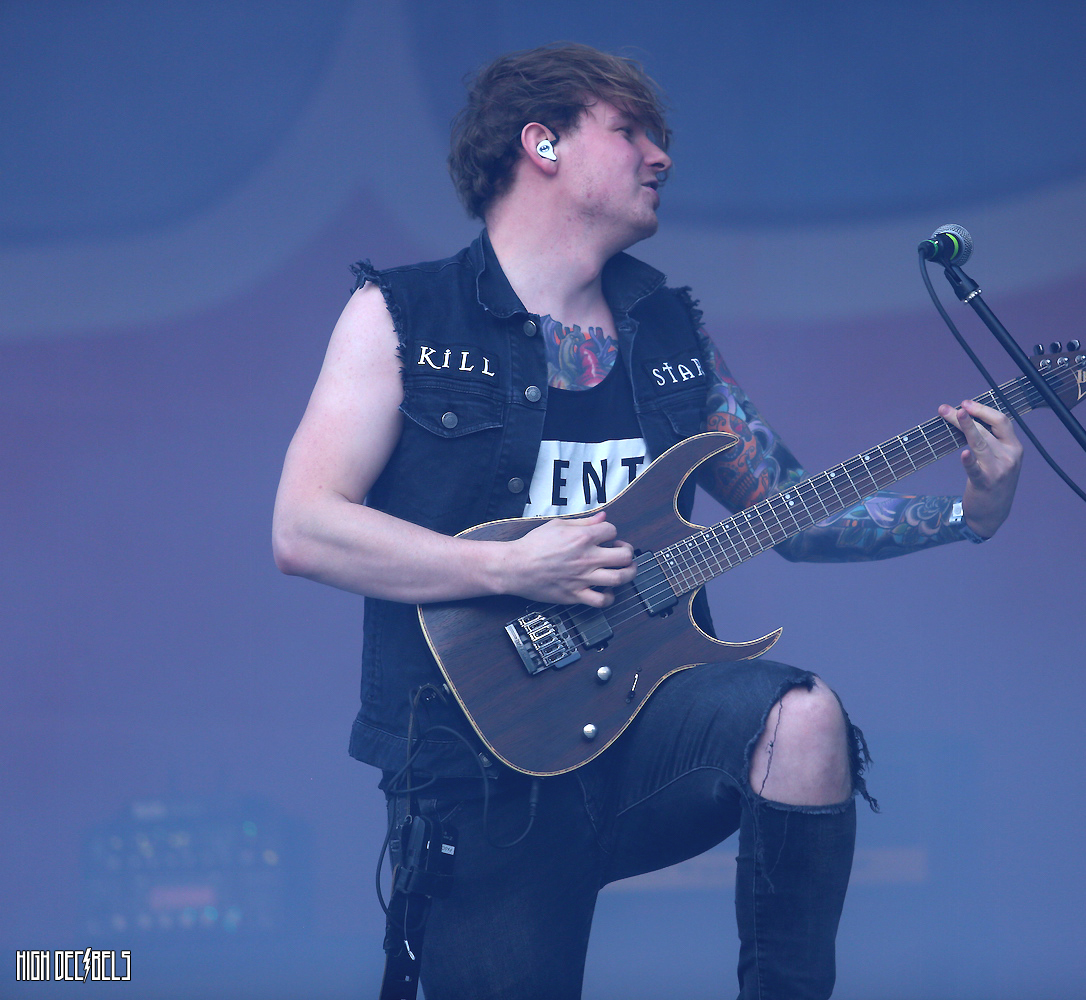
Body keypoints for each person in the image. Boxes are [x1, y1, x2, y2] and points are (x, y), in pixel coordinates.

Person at [272, 42, 1021, 1000]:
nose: (661, 156)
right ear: (541, 144)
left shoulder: (668, 332)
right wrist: (509, 568)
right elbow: (304, 527)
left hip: (644, 722)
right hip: (478, 761)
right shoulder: (403, 318)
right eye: (629, 131)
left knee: (802, 720)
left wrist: (968, 511)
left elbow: (790, 513)